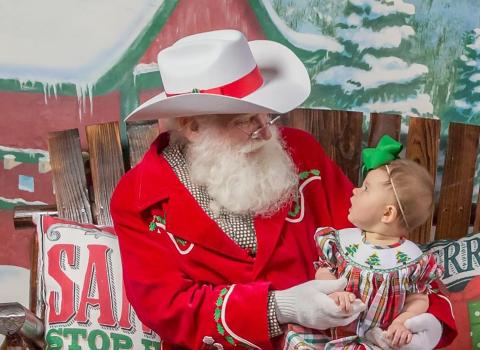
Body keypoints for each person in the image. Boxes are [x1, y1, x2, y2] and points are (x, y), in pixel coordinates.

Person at [110, 29, 457, 350]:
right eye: (243, 120)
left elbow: (379, 239)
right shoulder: (138, 200)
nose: (266, 130)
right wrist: (284, 307)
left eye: (265, 112)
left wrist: (426, 325)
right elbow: (166, 308)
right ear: (192, 126)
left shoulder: (302, 154)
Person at [283, 136, 446, 350]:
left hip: (377, 340)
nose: (354, 190)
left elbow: (418, 298)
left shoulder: (412, 262)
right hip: (335, 332)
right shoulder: (341, 242)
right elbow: (324, 269)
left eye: (366, 188)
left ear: (387, 213)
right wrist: (334, 290)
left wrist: (403, 321)